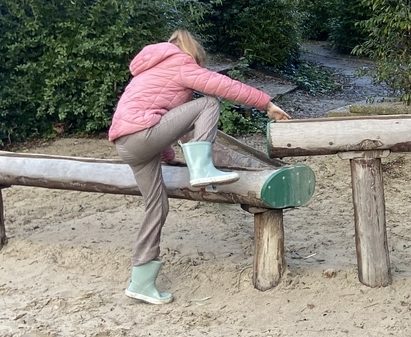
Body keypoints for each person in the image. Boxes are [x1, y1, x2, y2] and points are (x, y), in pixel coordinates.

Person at [108, 30, 290, 305]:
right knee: (208, 102)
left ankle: (141, 281)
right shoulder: (179, 63)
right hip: (143, 136)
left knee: (157, 207)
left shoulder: (148, 70)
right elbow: (222, 85)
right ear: (193, 53)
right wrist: (266, 104)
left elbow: (160, 118)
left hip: (127, 144)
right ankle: (202, 168)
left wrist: (168, 156)